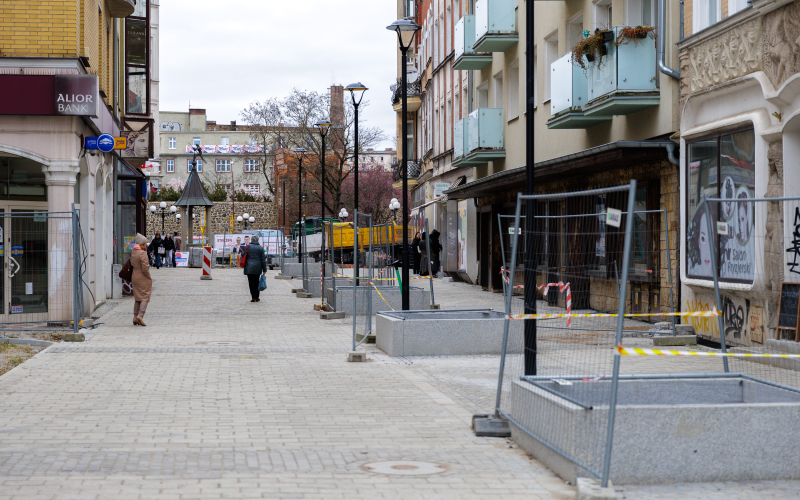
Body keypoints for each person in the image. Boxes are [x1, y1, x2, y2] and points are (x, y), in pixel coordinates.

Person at [131, 233, 152, 326]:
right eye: (145, 244)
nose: (146, 245)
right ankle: (140, 315)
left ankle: (135, 317)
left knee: (137, 298)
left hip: (134, 275)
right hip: (142, 277)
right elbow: (144, 268)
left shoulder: (133, 252)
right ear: (142, 244)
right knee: (145, 296)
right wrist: (148, 277)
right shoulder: (142, 253)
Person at [243, 234, 267, 302]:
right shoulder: (260, 248)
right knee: (257, 281)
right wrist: (264, 269)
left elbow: (243, 255)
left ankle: (253, 297)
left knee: (251, 282)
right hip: (258, 267)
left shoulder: (247, 247)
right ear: (257, 240)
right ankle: (257, 297)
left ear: (252, 239)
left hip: (249, 267)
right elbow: (263, 260)